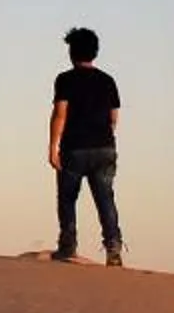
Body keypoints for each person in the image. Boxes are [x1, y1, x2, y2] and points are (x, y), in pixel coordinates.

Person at [48, 26, 124, 265]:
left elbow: (60, 114)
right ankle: (113, 247)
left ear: (72, 52)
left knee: (68, 198)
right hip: (103, 147)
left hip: (74, 148)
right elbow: (114, 118)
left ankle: (68, 245)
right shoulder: (108, 81)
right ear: (95, 52)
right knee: (105, 199)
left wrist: (53, 147)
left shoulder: (65, 80)